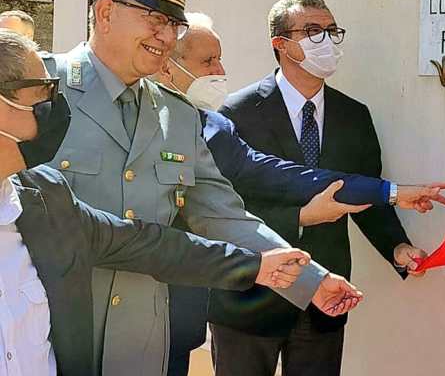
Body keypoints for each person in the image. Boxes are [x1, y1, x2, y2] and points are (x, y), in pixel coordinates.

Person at [42, 0, 363, 376]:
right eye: (155, 19)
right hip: (48, 331)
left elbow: (222, 214)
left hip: (141, 341)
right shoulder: (42, 92)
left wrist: (311, 280)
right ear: (105, 13)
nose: (166, 37)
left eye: (173, 24)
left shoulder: (176, 115)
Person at [0, 29, 320, 376]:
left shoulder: (42, 198)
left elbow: (147, 245)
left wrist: (258, 265)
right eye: (42, 96)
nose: (55, 110)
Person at [153, 12, 445, 376]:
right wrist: (300, 217)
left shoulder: (351, 114)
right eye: (312, 32)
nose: (220, 70)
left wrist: (394, 229)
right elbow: (226, 212)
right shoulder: (234, 112)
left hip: (322, 298)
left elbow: (333, 182)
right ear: (280, 44)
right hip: (247, 300)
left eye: (331, 31)